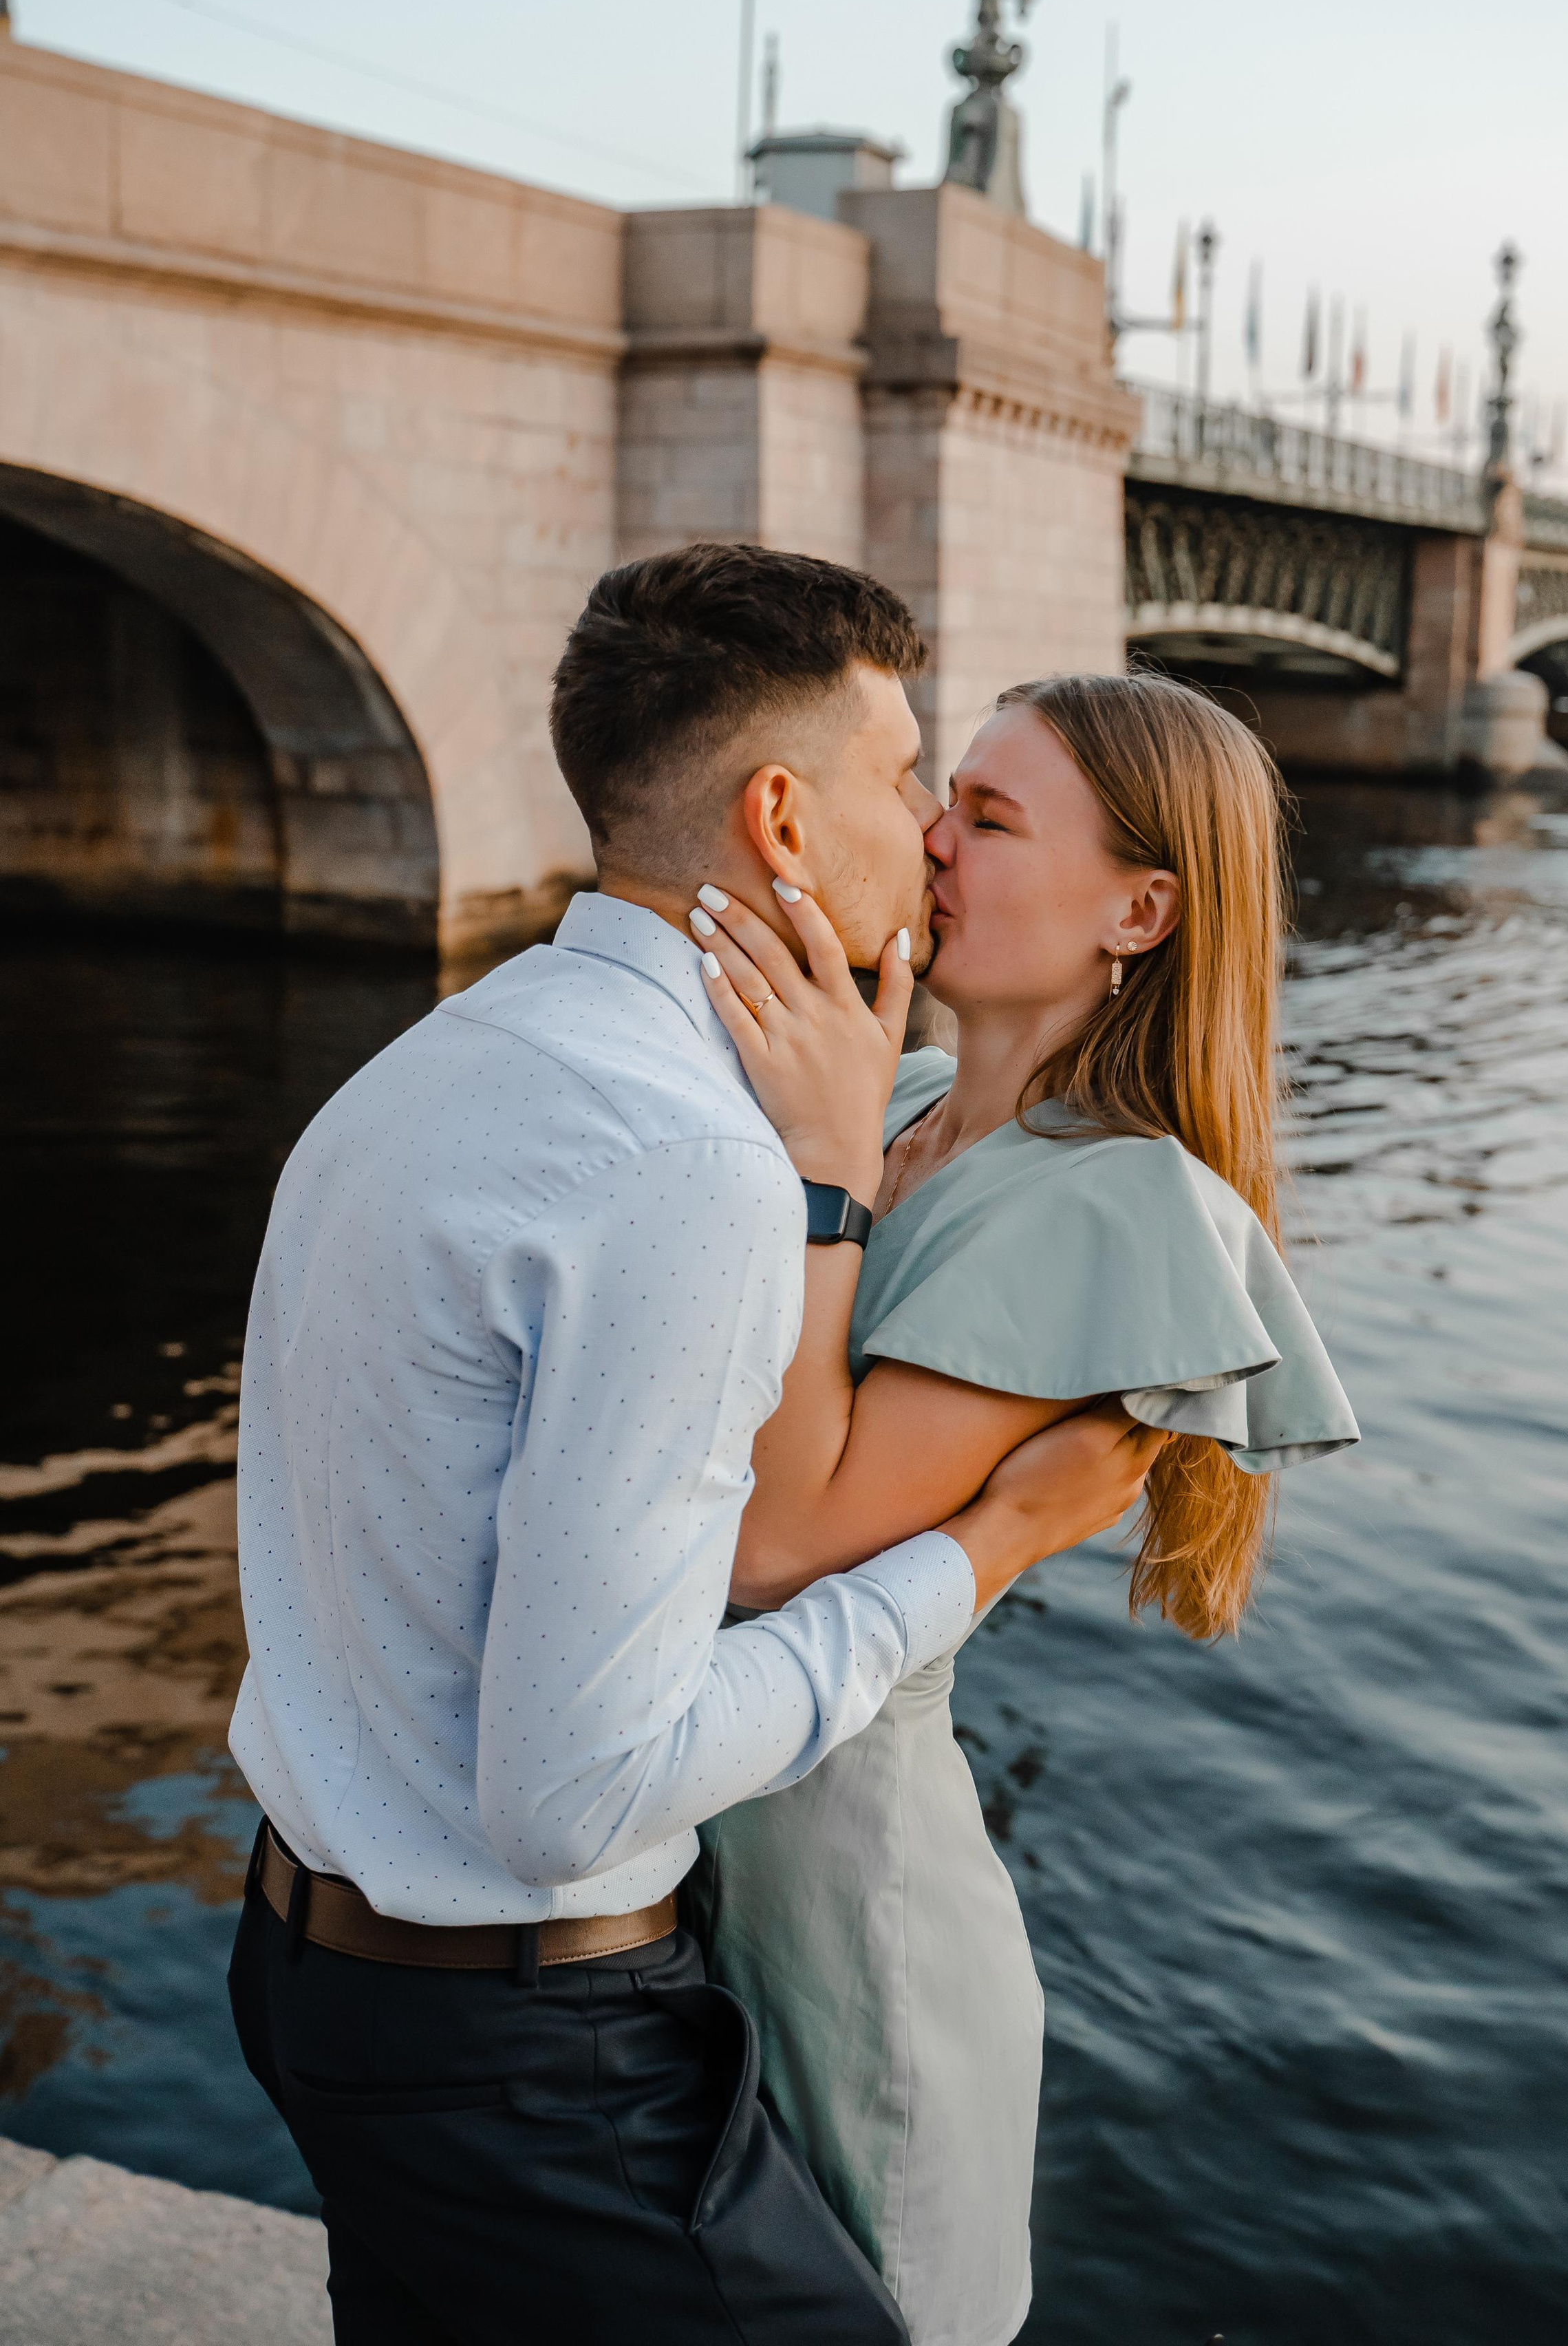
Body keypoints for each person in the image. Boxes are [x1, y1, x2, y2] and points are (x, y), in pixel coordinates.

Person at [224, 544, 1163, 2346]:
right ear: (783, 818)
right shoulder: (689, 1164)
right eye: (908, 778)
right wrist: (986, 1547)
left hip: (308, 1968)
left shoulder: (438, 1057)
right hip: (524, 2057)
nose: (931, 831)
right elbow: (573, 1793)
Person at [683, 668, 1359, 2346]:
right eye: (946, 797)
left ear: (1140, 912)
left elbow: (779, 1548)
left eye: (988, 817)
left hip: (850, 1917)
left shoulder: (1115, 1199)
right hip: (689, 1847)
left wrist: (817, 1175)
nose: (931, 836)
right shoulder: (904, 1104)